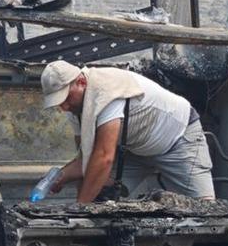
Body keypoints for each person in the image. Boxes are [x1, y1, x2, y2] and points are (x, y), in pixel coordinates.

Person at [40, 60, 215, 203]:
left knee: (206, 214)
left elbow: (103, 157)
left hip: (178, 141)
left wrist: (79, 211)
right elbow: (86, 158)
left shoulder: (106, 91)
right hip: (133, 150)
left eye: (66, 97)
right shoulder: (75, 107)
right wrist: (61, 176)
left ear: (81, 82)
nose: (64, 106)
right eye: (59, 102)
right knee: (98, 194)